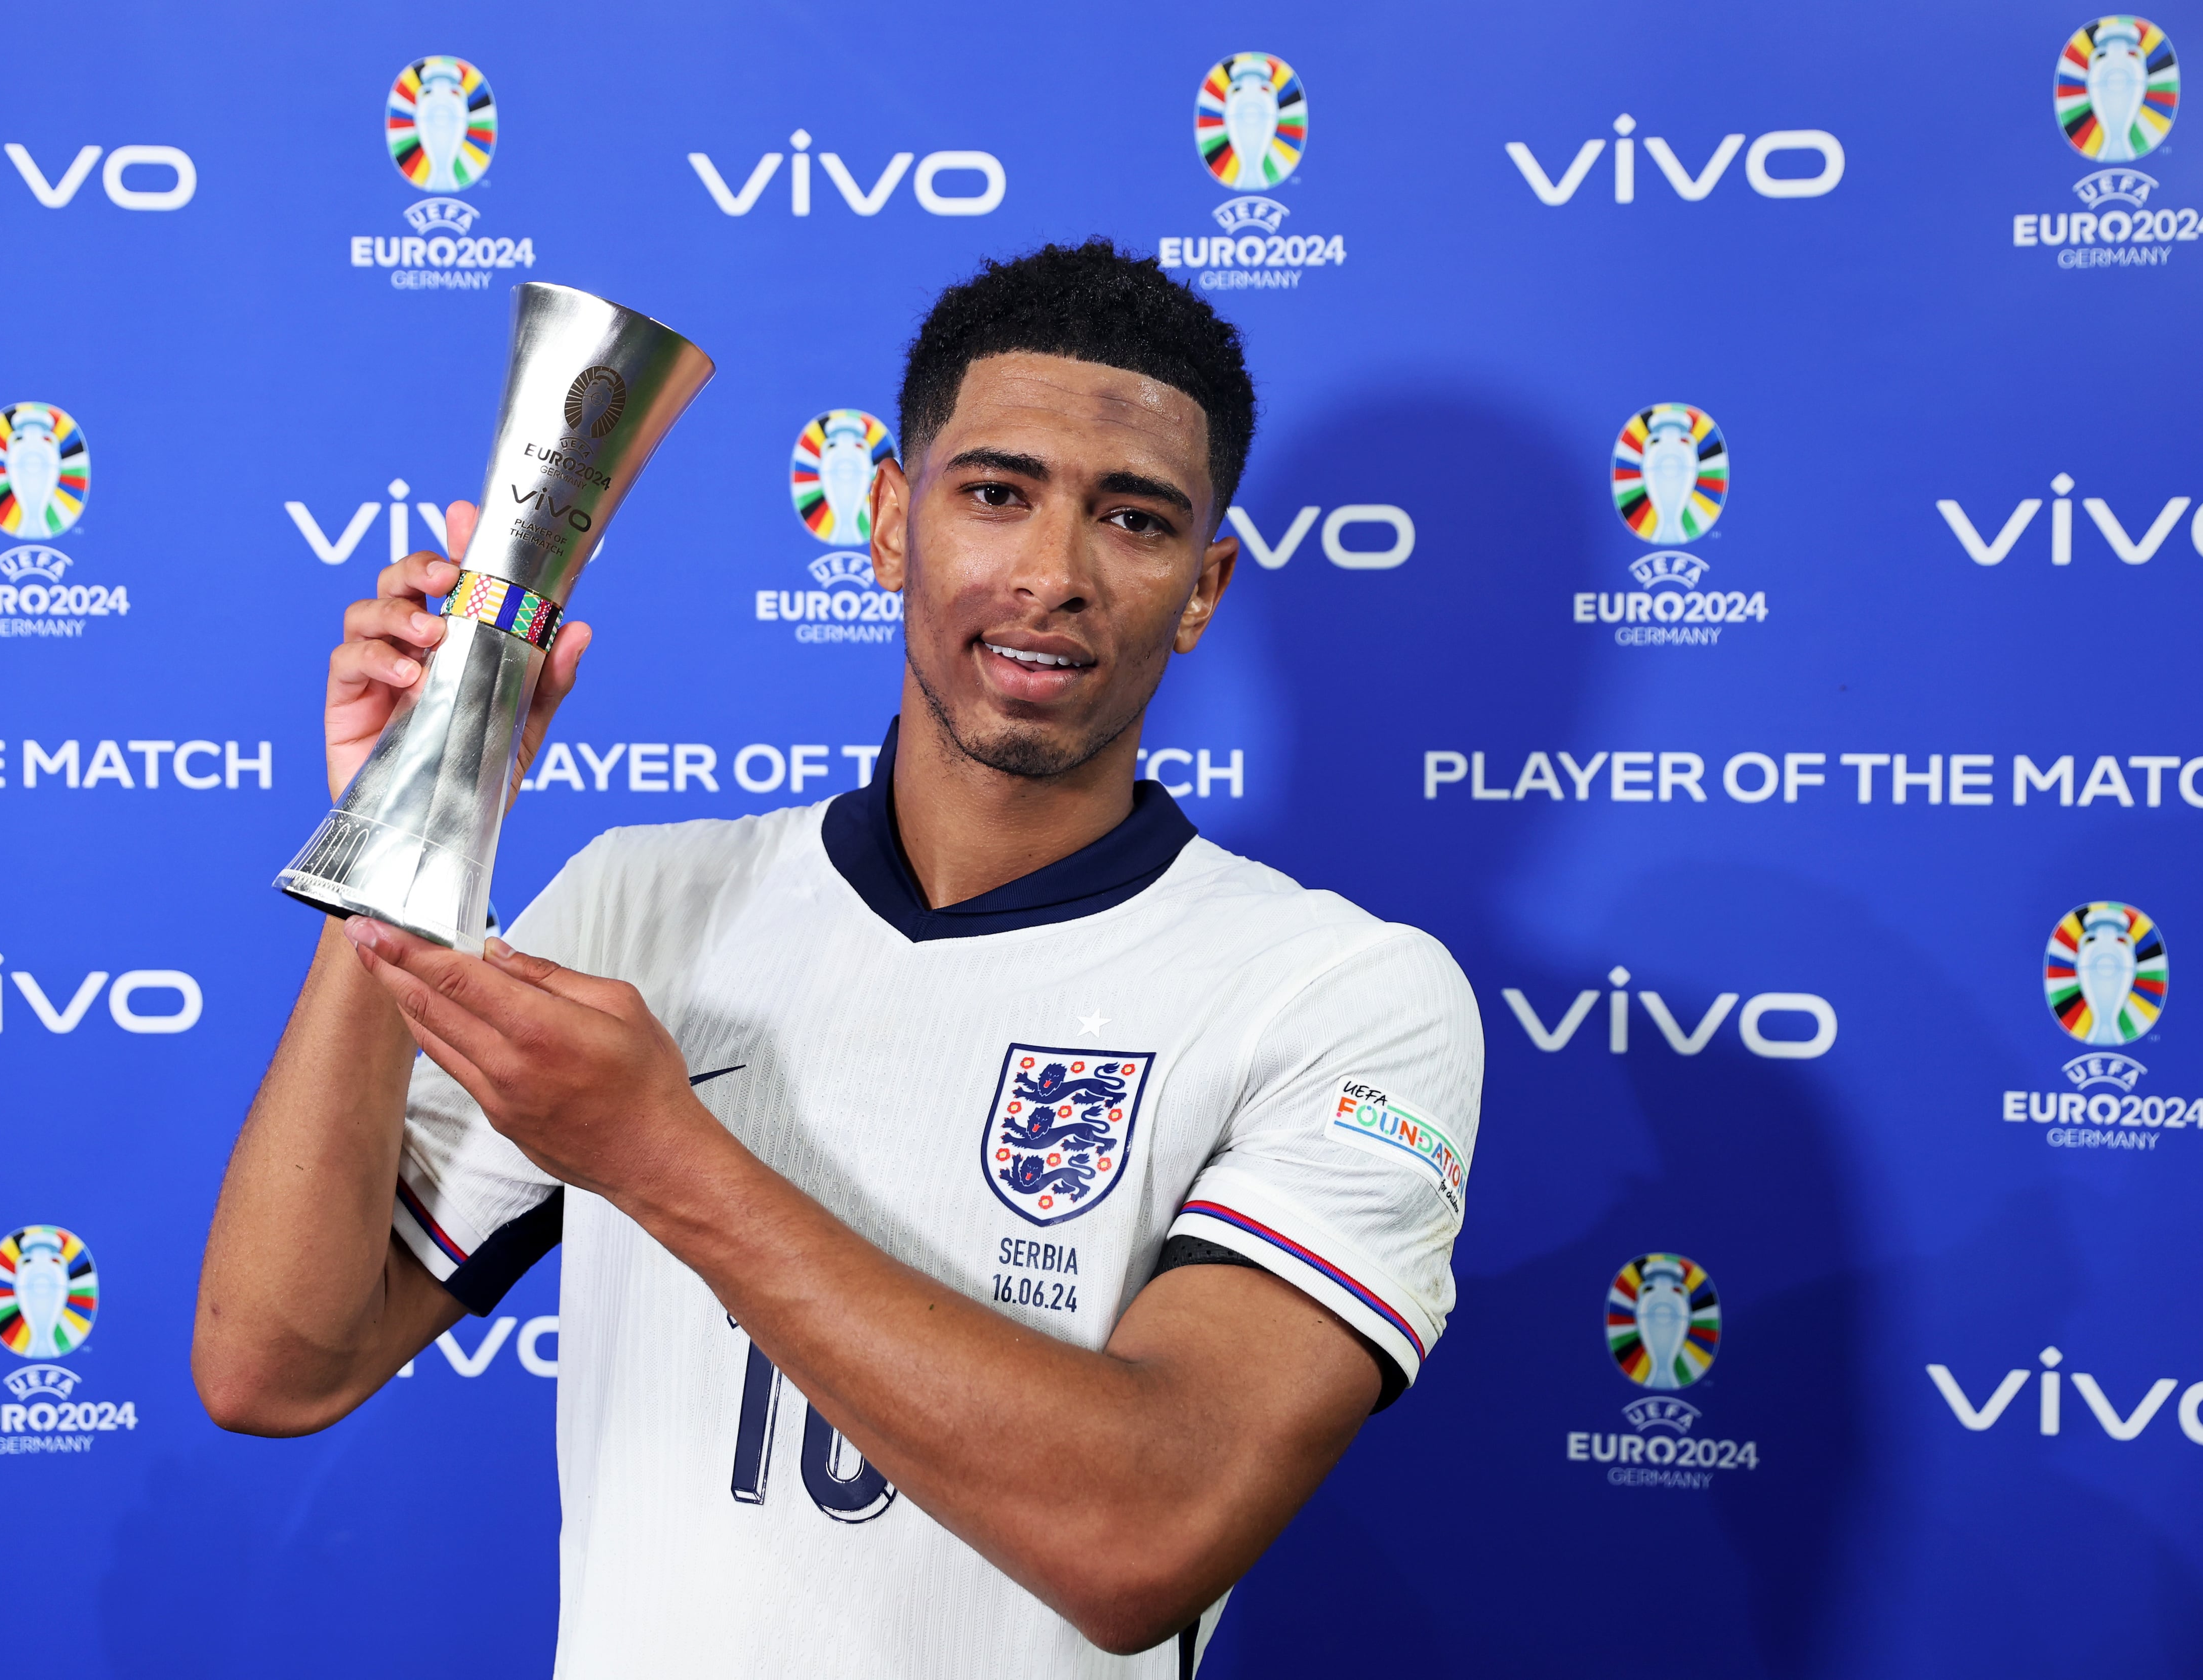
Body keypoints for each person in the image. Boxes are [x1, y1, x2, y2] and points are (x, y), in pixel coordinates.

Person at [194, 239, 1483, 1677]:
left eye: (1131, 520)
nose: (1052, 575)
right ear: (889, 523)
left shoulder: (1340, 993)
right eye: (998, 495)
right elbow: (275, 1363)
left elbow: (1148, 1538)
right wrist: (406, 830)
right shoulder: (642, 896)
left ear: (1203, 587)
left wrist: (662, 1155)